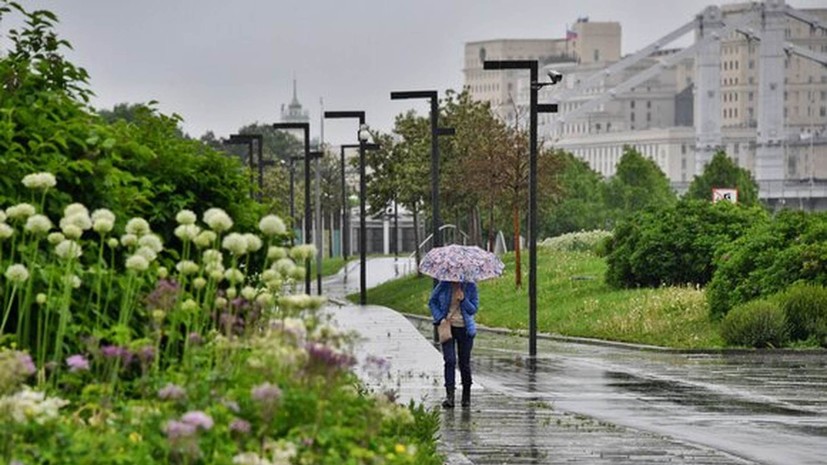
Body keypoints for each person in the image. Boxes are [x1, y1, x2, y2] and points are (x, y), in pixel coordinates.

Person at [428, 280, 479, 409]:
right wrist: (440, 318)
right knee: (450, 360)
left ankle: (466, 395)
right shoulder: (443, 285)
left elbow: (473, 309)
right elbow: (432, 301)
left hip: (465, 329)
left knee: (464, 363)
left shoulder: (470, 286)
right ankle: (449, 396)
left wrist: (463, 299)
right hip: (448, 328)